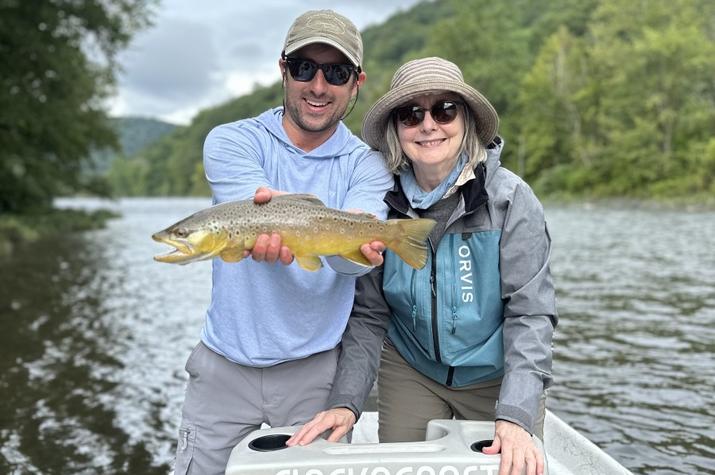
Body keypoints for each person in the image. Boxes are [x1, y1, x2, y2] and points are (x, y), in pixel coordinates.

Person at [289, 57, 558, 475]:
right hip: (410, 366)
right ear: (397, 131)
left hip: (495, 372)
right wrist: (346, 402)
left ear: (465, 120)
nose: (428, 125)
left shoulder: (512, 200)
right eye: (412, 115)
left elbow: (530, 314)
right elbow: (368, 315)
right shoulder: (379, 204)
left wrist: (517, 414)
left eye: (444, 110)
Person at [172, 10, 394, 475]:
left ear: (357, 82)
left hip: (315, 373)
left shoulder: (368, 165)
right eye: (304, 68)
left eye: (336, 72)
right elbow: (245, 218)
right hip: (223, 367)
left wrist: (361, 248)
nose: (318, 85)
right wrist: (292, 219)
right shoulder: (231, 141)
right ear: (282, 69)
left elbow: (352, 267)